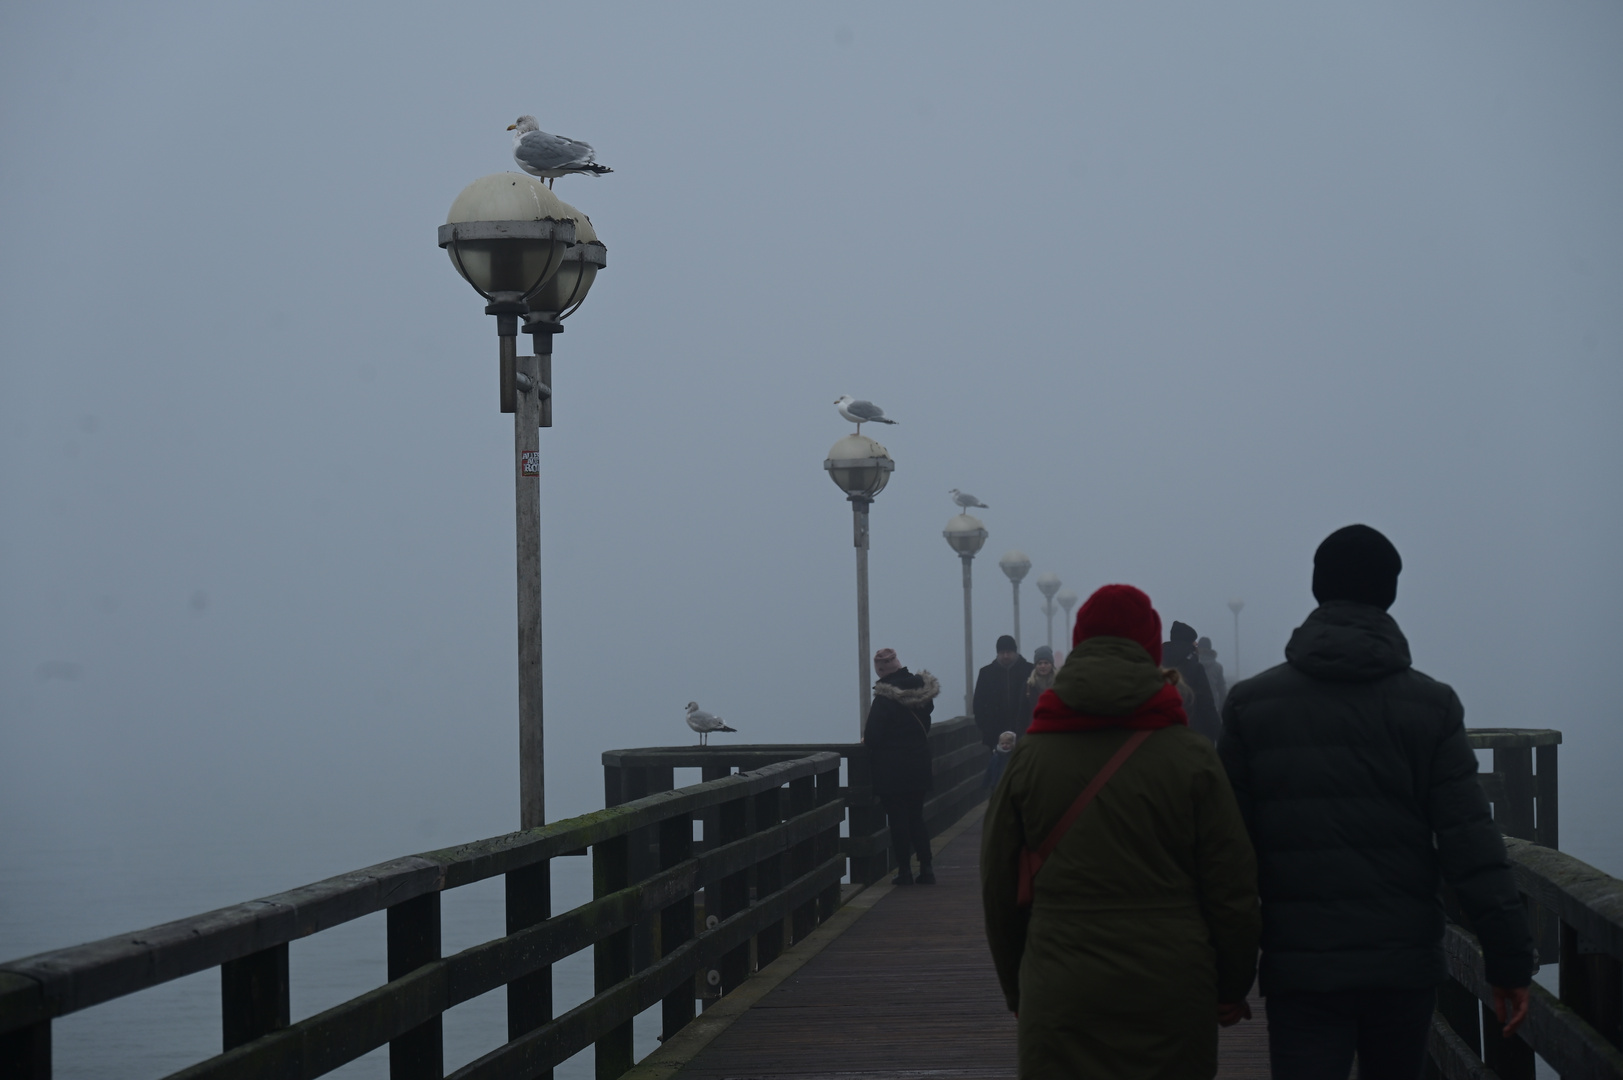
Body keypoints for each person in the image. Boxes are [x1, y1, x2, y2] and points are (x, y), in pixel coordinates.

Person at [1218, 525, 1534, 1080]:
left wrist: (1228, 976)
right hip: (1402, 964)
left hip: (1302, 967)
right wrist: (1509, 960)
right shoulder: (1432, 706)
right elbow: (1471, 844)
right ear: (1389, 594)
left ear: (1318, 589)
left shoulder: (1251, 706)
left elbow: (1229, 857)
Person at [982, 585, 1260, 1079]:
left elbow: (998, 883)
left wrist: (1017, 988)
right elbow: (1232, 887)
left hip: (1061, 981)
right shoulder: (1192, 756)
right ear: (1152, 651)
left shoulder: (1031, 756)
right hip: (1172, 983)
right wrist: (1231, 987)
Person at [864, 647, 942, 885]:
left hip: (893, 770)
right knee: (916, 817)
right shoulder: (921, 692)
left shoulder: (884, 700)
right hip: (918, 764)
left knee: (898, 820)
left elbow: (873, 736)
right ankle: (927, 867)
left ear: (882, 671)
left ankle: (905, 871)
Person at [1163, 621, 1222, 742]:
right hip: (1192, 732)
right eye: (1194, 641)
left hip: (1163, 732)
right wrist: (1219, 733)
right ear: (1189, 643)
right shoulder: (1195, 668)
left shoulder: (1157, 663)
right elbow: (1206, 703)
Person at [973, 635, 1034, 748]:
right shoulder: (986, 673)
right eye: (1002, 652)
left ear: (1015, 652)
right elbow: (978, 703)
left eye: (1009, 652)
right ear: (997, 653)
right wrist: (986, 727)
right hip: (994, 735)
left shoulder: (1029, 670)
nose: (1005, 656)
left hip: (1024, 732)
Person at [1023, 645, 1057, 717]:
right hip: (1036, 726)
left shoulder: (1060, 684)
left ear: (1051, 665)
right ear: (1035, 666)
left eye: (1046, 663)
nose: (1043, 666)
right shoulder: (1029, 686)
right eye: (1039, 663)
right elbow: (1023, 713)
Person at [1197, 635, 1227, 708]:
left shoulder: (1192, 664)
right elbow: (1222, 691)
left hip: (1194, 708)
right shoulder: (1217, 667)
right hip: (1212, 706)